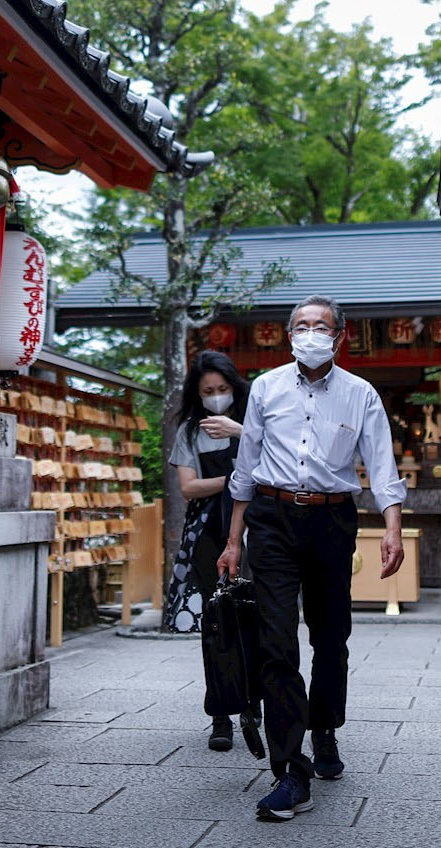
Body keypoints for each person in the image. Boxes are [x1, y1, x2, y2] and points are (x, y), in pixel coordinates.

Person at [219, 295, 405, 821]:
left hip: (331, 520)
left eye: (320, 325)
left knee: (331, 636)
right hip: (271, 519)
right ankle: (289, 770)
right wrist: (234, 542)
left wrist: (391, 528)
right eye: (301, 325)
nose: (310, 332)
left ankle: (324, 727)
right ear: (289, 335)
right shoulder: (265, 388)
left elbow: (382, 465)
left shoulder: (360, 394)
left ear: (339, 336)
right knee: (276, 644)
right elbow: (246, 468)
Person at [164, 350, 249, 751]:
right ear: (197, 395)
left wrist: (240, 433)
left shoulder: (252, 422)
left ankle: (255, 702)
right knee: (217, 622)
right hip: (207, 532)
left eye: (223, 388)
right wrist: (235, 478)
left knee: (259, 618)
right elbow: (188, 488)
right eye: (208, 391)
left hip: (256, 528)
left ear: (235, 387)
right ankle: (220, 714)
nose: (216, 396)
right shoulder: (189, 431)